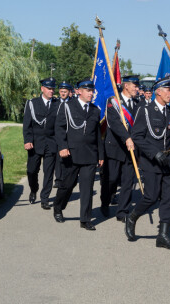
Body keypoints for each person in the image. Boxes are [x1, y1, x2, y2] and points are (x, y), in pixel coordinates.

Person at [124, 76, 170, 250]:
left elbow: (168, 137)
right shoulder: (144, 110)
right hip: (151, 162)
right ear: (158, 92)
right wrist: (154, 153)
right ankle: (132, 217)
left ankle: (162, 235)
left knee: (168, 198)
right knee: (151, 197)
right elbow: (137, 136)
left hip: (168, 161)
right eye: (168, 90)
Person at [52, 79, 104, 230]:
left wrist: (100, 155)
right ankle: (58, 206)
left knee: (87, 188)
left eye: (92, 91)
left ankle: (85, 219)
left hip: (89, 154)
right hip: (71, 154)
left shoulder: (95, 110)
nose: (91, 93)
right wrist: (62, 146)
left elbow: (97, 136)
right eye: (88, 91)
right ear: (78, 91)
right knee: (67, 185)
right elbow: (59, 128)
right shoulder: (67, 107)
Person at [100, 75, 141, 222]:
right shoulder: (113, 101)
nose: (137, 89)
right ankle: (105, 202)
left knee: (128, 182)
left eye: (137, 86)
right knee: (111, 180)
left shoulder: (138, 103)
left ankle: (122, 211)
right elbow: (115, 123)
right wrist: (127, 138)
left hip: (132, 150)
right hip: (115, 148)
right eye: (135, 86)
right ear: (126, 86)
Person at [23, 77, 60, 210]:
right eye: (49, 88)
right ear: (42, 89)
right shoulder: (32, 103)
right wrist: (27, 140)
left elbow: (60, 126)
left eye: (53, 88)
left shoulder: (57, 104)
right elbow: (27, 124)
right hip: (35, 143)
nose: (51, 91)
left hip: (51, 143)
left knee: (49, 172)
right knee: (31, 171)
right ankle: (34, 189)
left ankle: (45, 198)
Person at [53, 81, 73, 189]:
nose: (63, 94)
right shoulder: (55, 103)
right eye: (61, 92)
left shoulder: (73, 103)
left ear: (69, 92)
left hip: (70, 134)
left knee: (68, 157)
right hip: (58, 134)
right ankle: (58, 178)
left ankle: (67, 177)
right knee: (58, 157)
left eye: (65, 92)